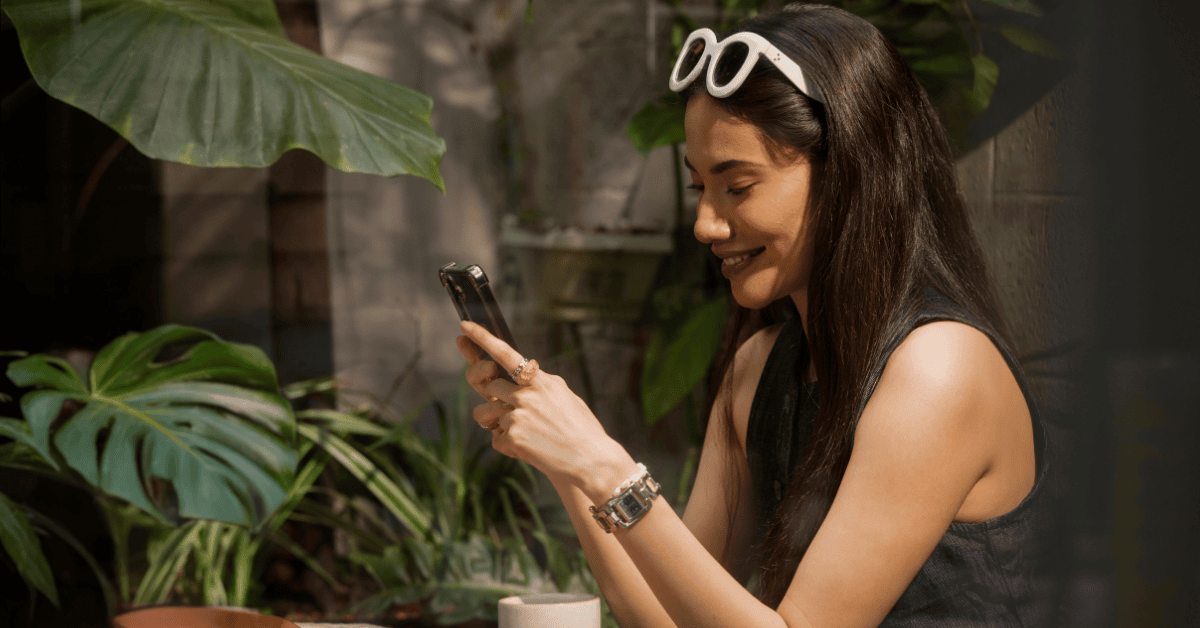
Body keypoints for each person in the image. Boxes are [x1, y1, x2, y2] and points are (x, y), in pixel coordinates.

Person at [455, 4, 1054, 627]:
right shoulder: (759, 367)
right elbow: (661, 619)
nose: (705, 224)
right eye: (698, 188)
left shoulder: (938, 369)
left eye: (737, 186)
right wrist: (569, 464)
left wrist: (604, 467)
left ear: (850, 175)